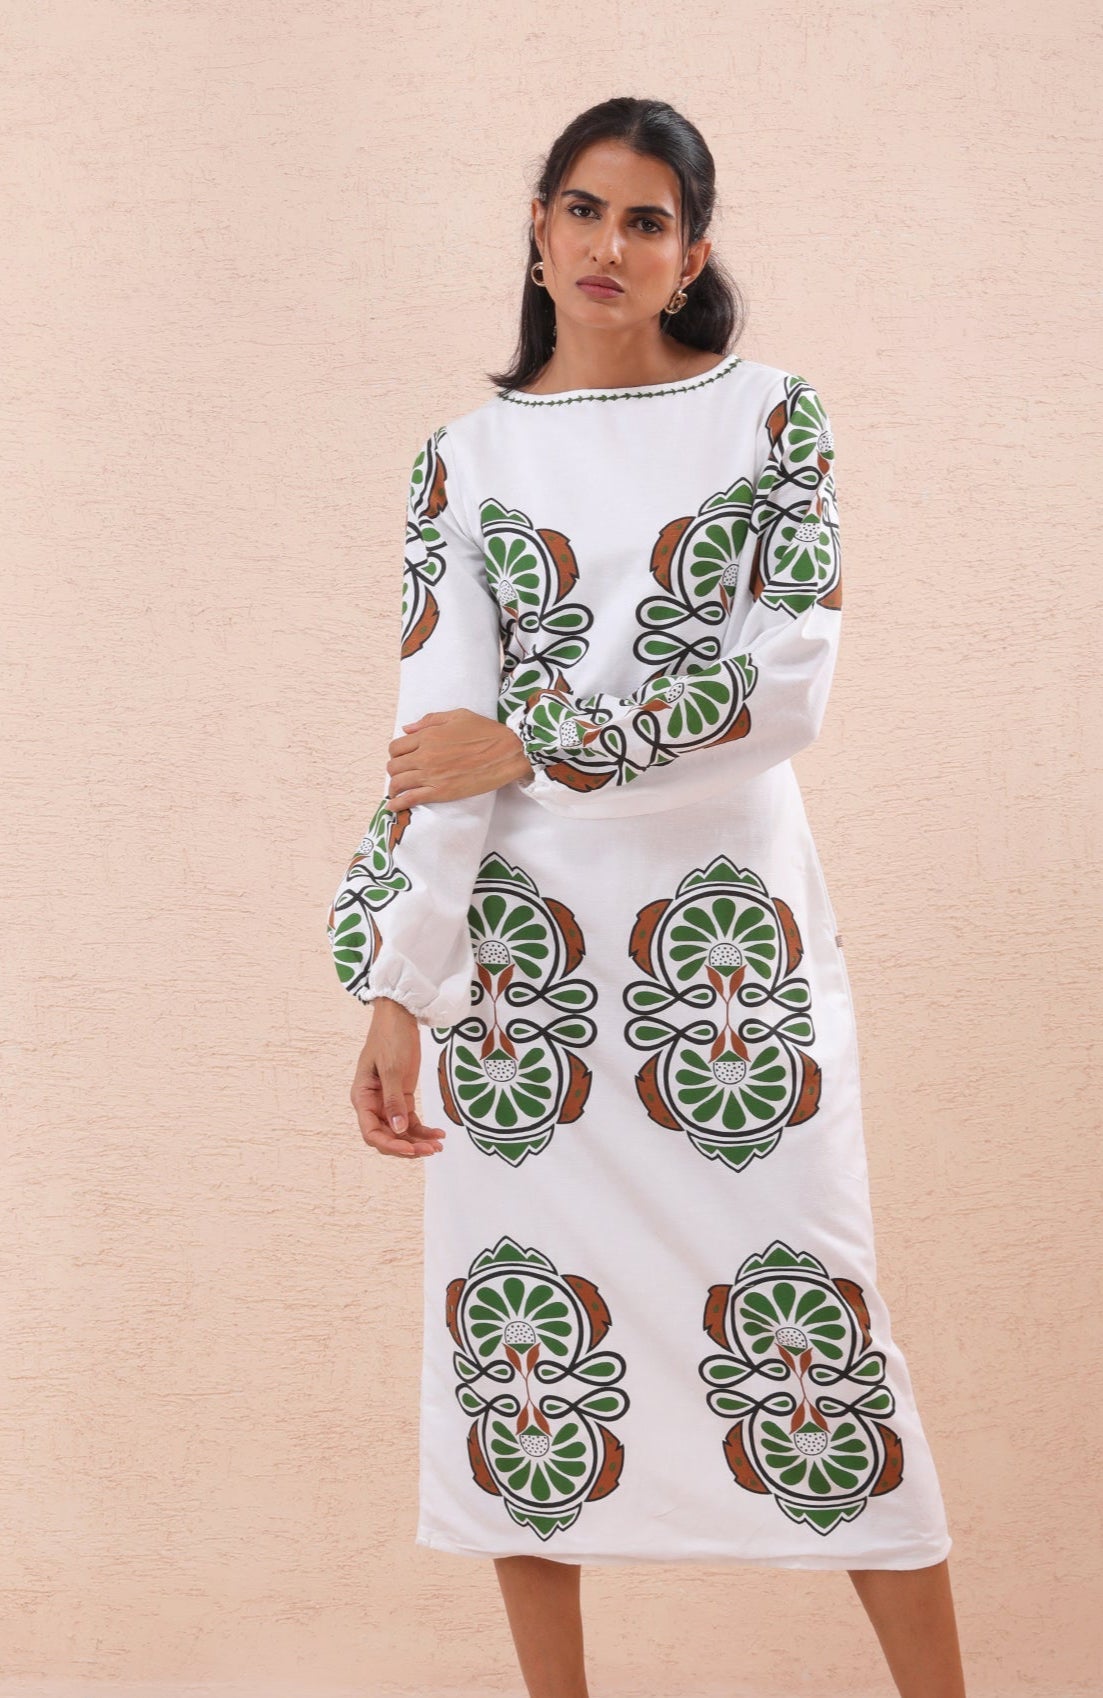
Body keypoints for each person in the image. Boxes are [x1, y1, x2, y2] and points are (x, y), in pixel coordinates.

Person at [327, 96, 967, 1698]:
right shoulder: (463, 460)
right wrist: (400, 987)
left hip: (722, 967)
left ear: (691, 254)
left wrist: (535, 739)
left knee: (816, 1336)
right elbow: (435, 742)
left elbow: (785, 683)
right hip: (523, 986)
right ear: (537, 228)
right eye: (581, 209)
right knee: (520, 1368)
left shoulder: (770, 420)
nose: (607, 244)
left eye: (646, 220)